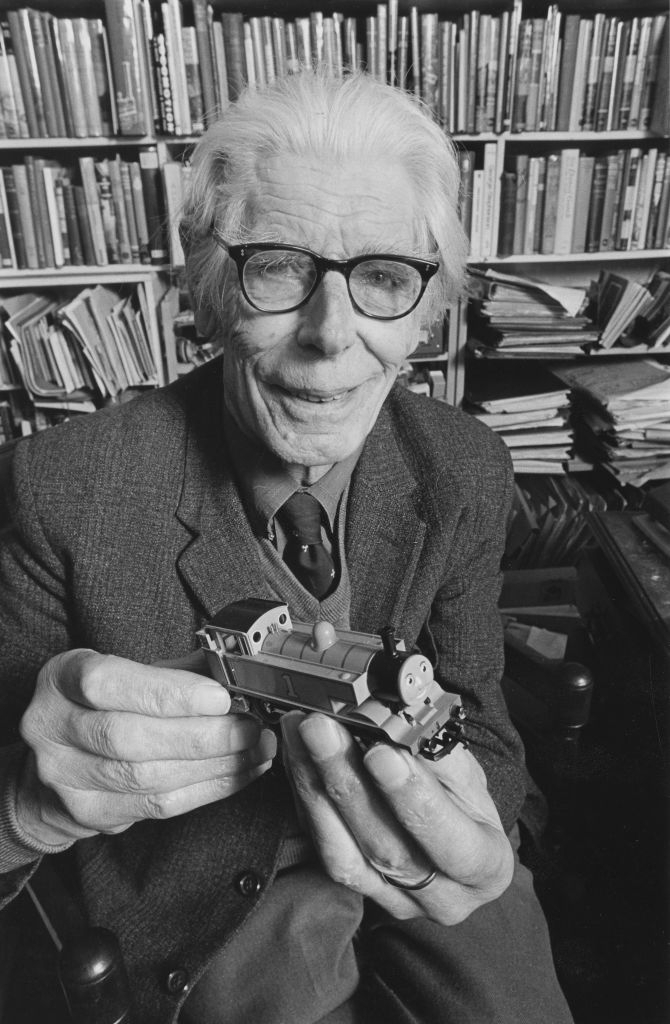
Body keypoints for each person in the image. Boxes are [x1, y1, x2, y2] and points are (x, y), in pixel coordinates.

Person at [0, 72, 573, 1024]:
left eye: (385, 278)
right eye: (277, 266)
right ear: (209, 286)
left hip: (429, 872)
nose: (331, 336)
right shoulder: (58, 489)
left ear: (428, 312)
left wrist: (484, 832)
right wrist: (24, 810)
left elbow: (480, 718)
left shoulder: (466, 466)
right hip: (206, 915)